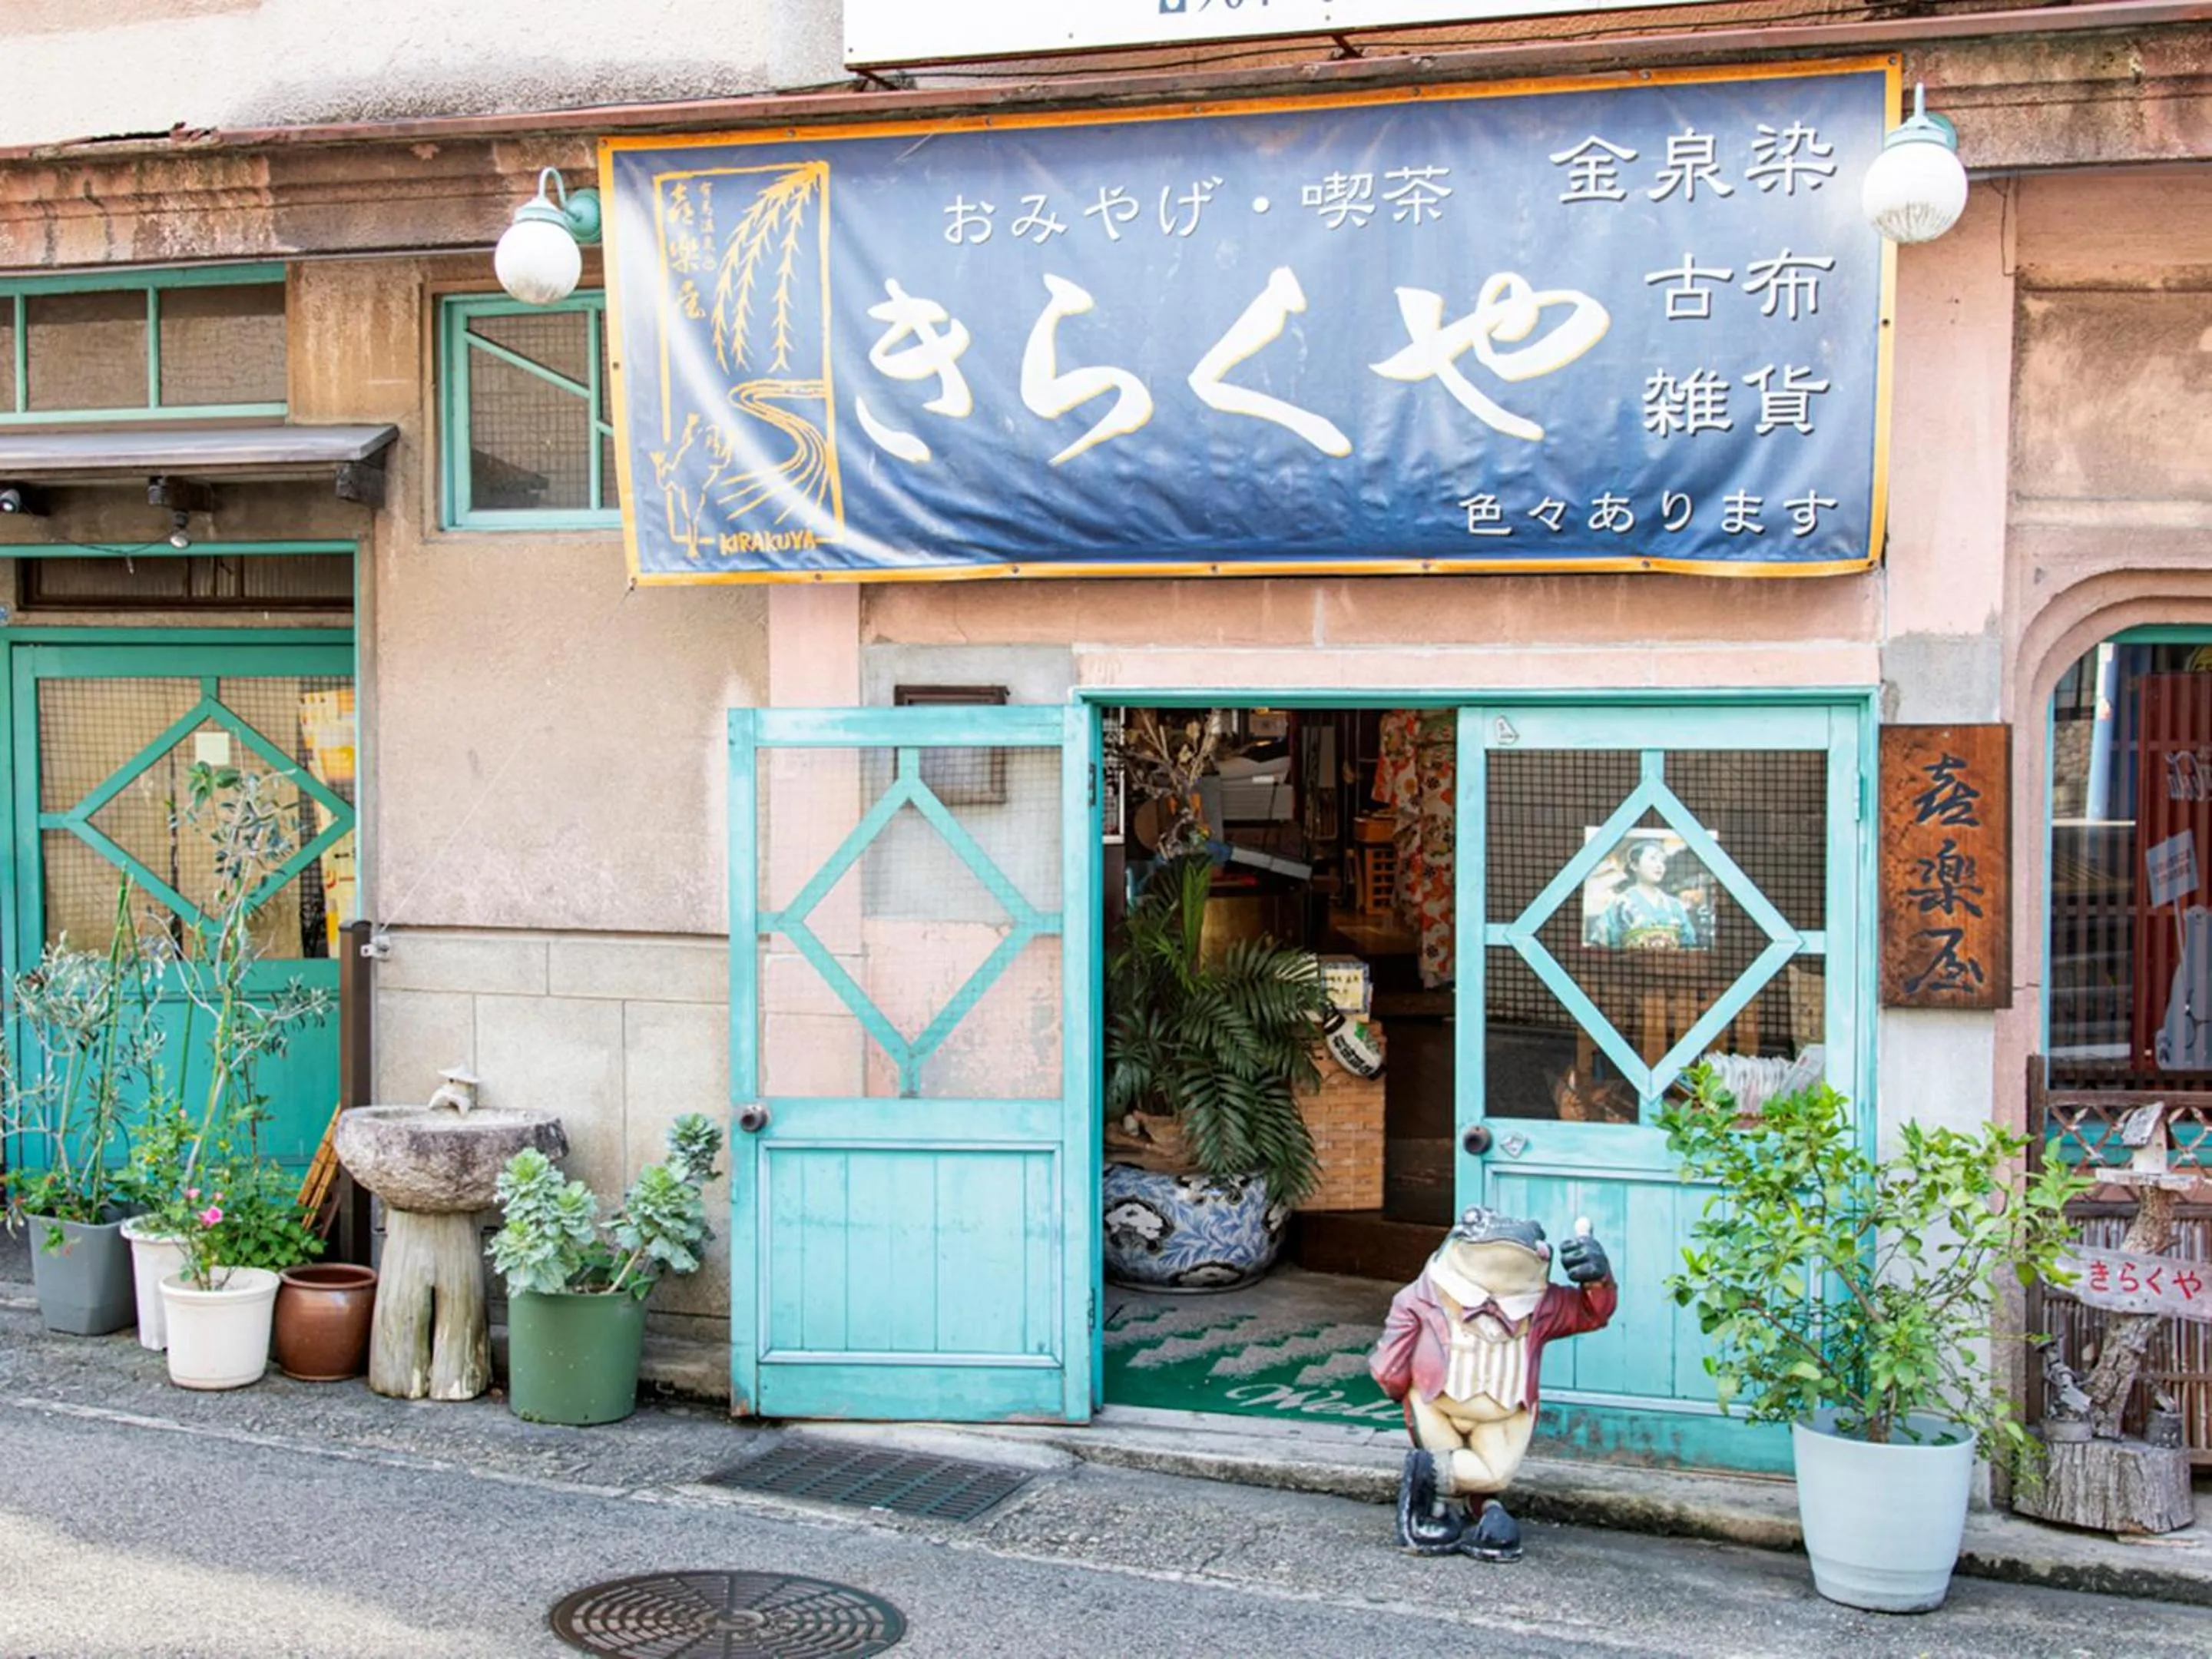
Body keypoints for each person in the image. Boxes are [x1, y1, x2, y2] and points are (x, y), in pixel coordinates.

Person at [1592, 839, 1699, 950]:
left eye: (1662, 861)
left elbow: (1689, 944)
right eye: (1653, 859)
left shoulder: (1674, 905)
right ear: (1634, 866)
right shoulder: (1620, 904)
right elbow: (1602, 942)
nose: (1659, 865)